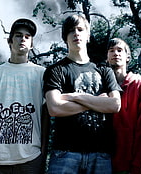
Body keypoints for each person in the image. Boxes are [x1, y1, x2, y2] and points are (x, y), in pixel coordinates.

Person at [43, 14, 122, 174]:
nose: (76, 33)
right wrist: (97, 103)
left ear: (88, 35)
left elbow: (115, 105)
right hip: (65, 153)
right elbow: (55, 108)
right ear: (65, 37)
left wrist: (74, 96)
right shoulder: (56, 70)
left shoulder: (104, 70)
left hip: (100, 154)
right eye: (71, 31)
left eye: (80, 29)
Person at [0, 18, 47, 174]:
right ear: (10, 41)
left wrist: (42, 151)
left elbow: (45, 114)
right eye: (18, 35)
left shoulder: (41, 74)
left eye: (28, 37)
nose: (23, 39)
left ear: (32, 44)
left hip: (30, 157)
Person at [107, 38, 141, 174]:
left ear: (127, 57)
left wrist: (138, 165)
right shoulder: (100, 87)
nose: (116, 54)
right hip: (102, 163)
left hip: (130, 164)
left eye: (120, 50)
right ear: (107, 57)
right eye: (111, 51)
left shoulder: (140, 86)